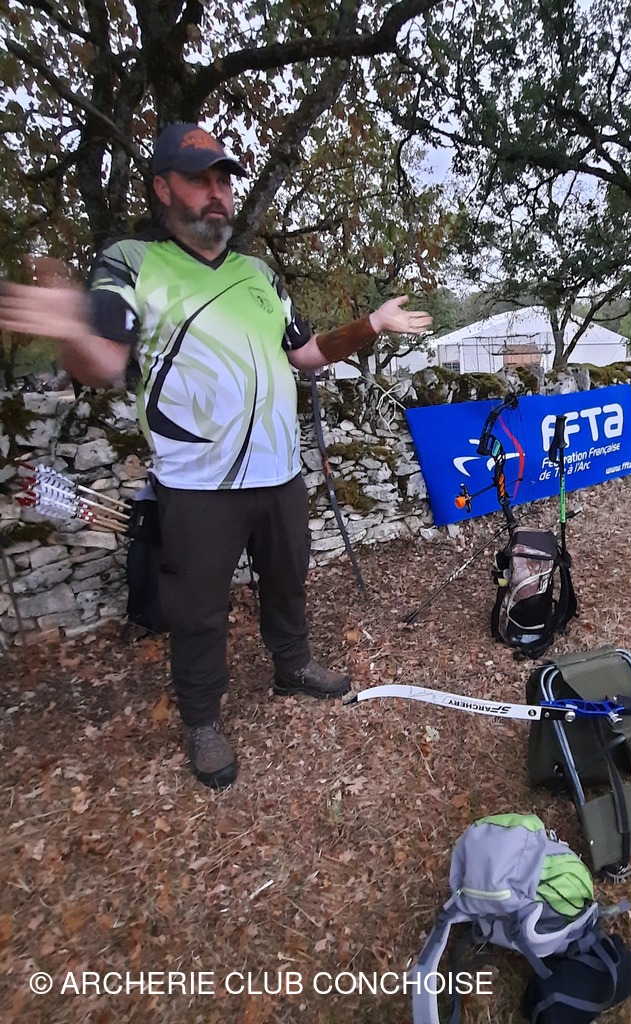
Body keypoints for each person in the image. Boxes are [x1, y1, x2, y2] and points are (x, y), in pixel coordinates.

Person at [0, 122, 432, 789]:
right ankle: (202, 719)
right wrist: (69, 331)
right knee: (197, 610)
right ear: (162, 187)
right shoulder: (131, 261)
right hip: (196, 486)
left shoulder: (259, 274)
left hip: (279, 474)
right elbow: (105, 360)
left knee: (288, 581)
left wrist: (370, 326)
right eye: (199, 179)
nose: (216, 193)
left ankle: (292, 666)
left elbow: (305, 355)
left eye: (224, 181)